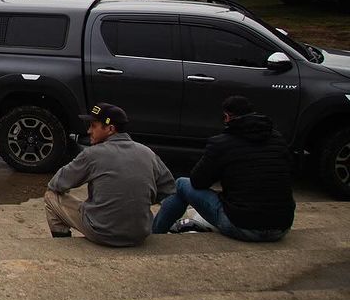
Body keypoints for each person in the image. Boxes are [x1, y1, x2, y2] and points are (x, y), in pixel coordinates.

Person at [153, 96, 295, 242]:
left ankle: (155, 233)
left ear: (227, 117)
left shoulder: (221, 143)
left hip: (243, 226)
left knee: (181, 184)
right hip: (281, 227)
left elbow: (197, 182)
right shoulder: (277, 138)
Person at [44, 103, 175, 246]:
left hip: (103, 233)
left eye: (94, 126)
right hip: (139, 234)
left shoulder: (93, 154)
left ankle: (64, 245)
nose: (88, 131)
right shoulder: (147, 153)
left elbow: (56, 184)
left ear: (110, 129)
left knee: (51, 196)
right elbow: (168, 188)